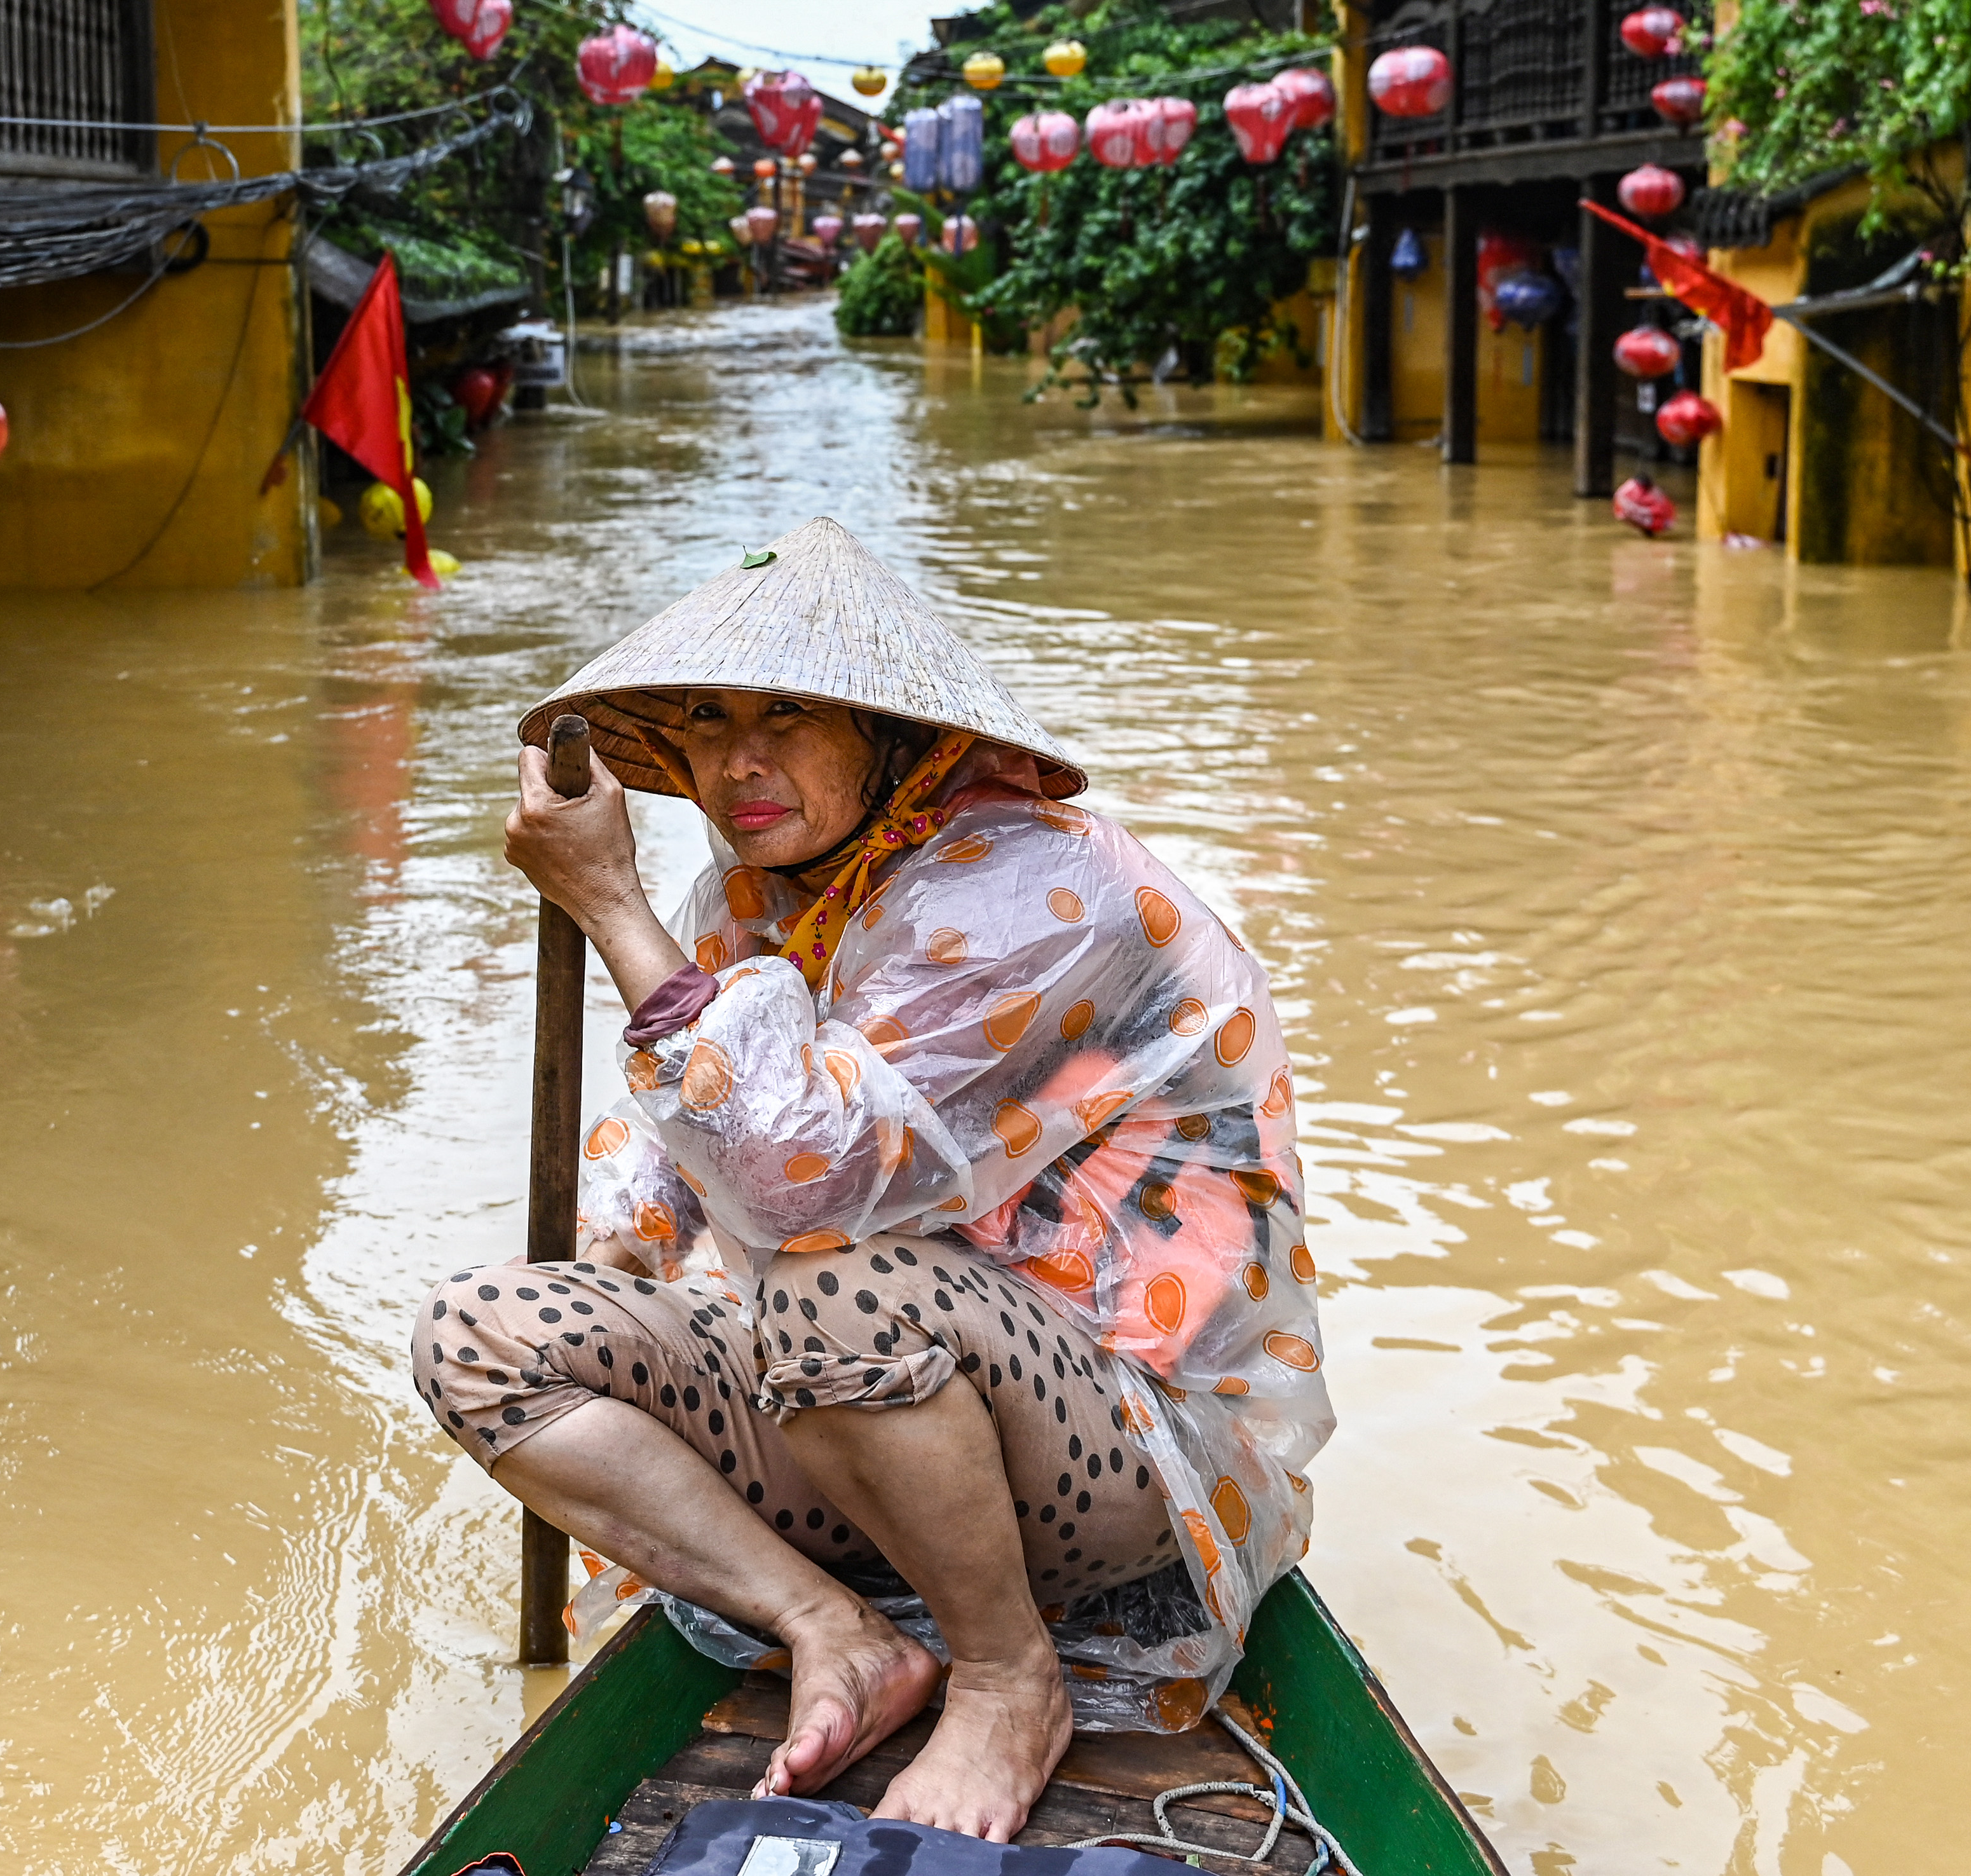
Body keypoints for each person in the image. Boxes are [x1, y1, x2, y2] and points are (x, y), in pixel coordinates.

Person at [409, 519, 1332, 1842]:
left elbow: (801, 1183)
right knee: (481, 1335)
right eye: (712, 722)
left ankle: (1010, 1679)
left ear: (891, 735)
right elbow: (662, 1165)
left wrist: (612, 910)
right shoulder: (760, 893)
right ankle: (833, 1628)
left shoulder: (1036, 884)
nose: (742, 761)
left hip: (1126, 1443)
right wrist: (609, 1276)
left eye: (790, 712)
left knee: (827, 1285)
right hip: (883, 1400)